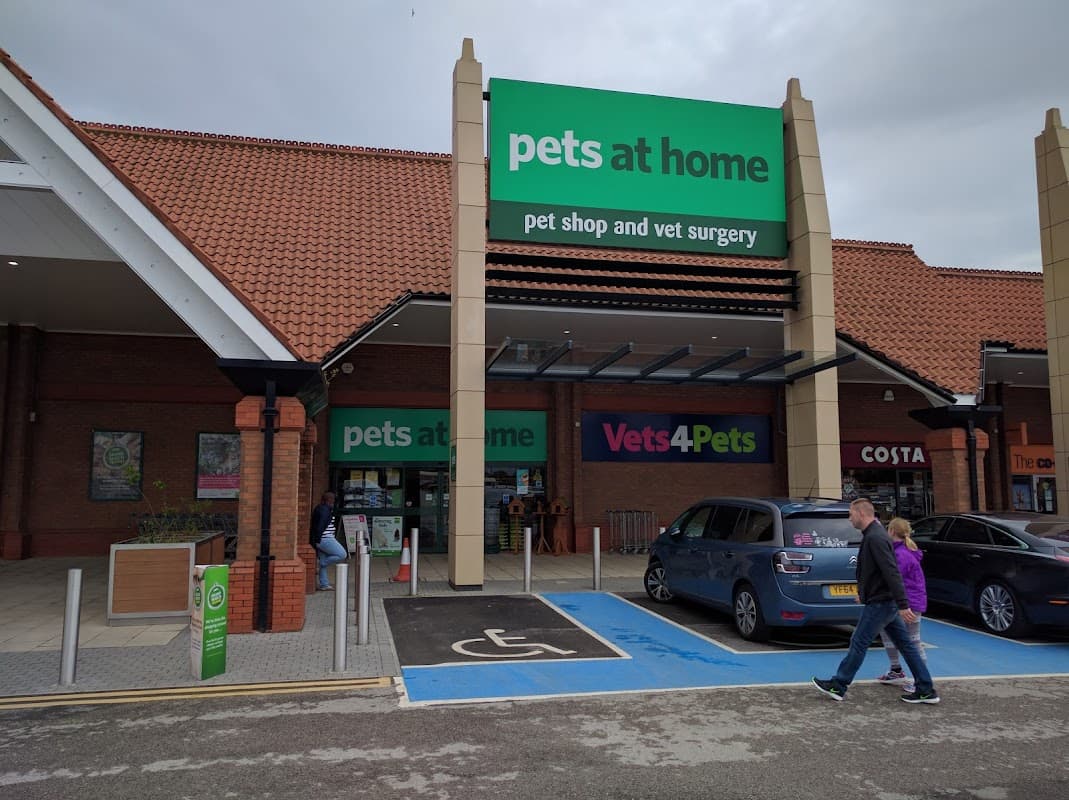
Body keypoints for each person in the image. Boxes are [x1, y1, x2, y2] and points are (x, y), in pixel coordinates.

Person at [813, 498, 940, 704]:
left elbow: (891, 572)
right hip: (884, 601)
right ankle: (926, 688)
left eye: (851, 514)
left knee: (859, 641)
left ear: (862, 514)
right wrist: (866, 594)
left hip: (882, 602)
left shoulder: (875, 538)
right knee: (906, 645)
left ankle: (839, 685)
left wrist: (902, 604)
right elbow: (877, 572)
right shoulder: (874, 535)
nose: (849, 518)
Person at [875, 517, 928, 692]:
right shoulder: (904, 551)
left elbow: (894, 579)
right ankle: (896, 670)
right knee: (888, 633)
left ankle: (921, 679)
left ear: (891, 532)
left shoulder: (901, 555)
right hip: (910, 601)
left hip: (908, 603)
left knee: (913, 641)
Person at [309, 491, 346, 591]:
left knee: (324, 558)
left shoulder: (321, 508)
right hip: (325, 538)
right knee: (342, 554)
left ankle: (324, 584)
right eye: (333, 500)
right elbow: (320, 526)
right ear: (329, 500)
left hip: (321, 538)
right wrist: (317, 540)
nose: (334, 502)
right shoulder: (324, 510)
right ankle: (320, 564)